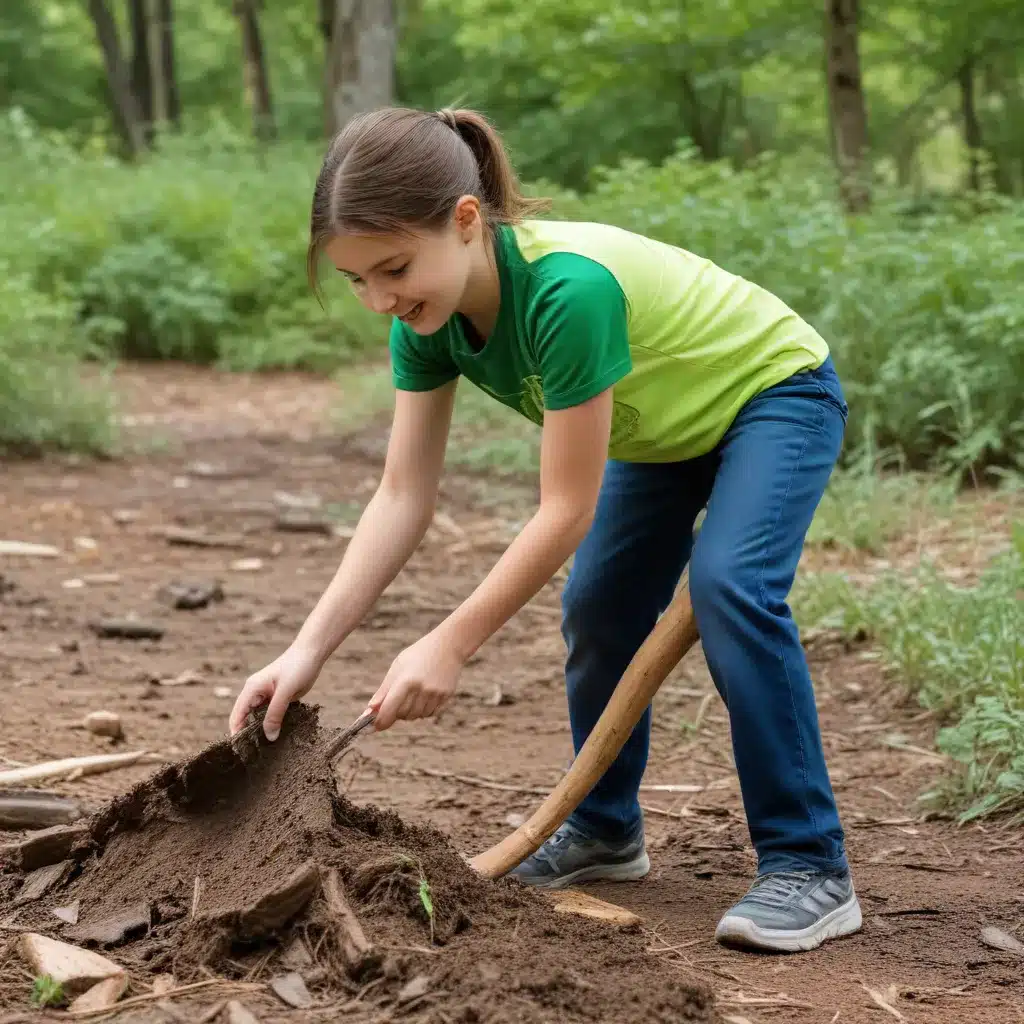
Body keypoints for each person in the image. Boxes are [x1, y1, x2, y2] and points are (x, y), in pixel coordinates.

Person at [228, 105, 862, 954]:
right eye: (356, 280)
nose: (380, 297)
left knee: (729, 589)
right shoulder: (428, 320)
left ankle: (809, 865)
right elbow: (400, 497)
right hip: (661, 432)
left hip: (773, 393)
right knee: (599, 606)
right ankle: (605, 833)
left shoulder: (568, 290)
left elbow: (567, 508)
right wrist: (306, 651)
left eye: (394, 267)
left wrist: (449, 644)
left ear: (463, 221)